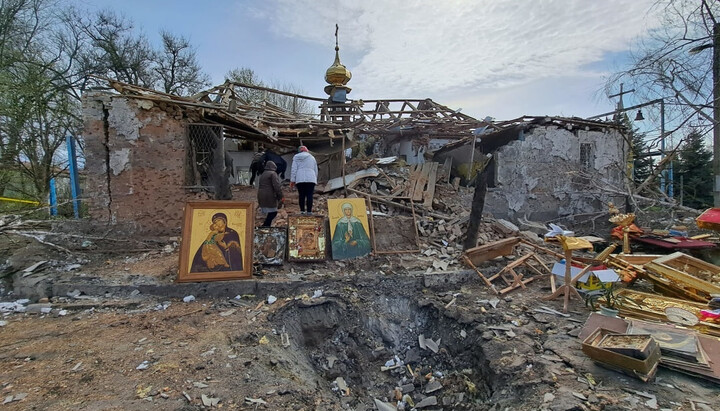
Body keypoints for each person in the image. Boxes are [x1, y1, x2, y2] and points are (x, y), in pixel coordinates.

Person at [290, 146, 318, 214]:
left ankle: (302, 211)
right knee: (309, 195)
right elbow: (315, 170)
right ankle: (309, 211)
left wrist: (292, 180)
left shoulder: (296, 157)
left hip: (300, 178)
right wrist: (315, 178)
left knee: (301, 195)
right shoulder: (312, 158)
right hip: (311, 178)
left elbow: (294, 169)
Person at [257, 160, 284, 227]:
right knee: (273, 212)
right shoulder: (273, 174)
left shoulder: (263, 174)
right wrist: (280, 196)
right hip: (269, 195)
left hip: (261, 195)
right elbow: (276, 186)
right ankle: (265, 225)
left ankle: (266, 225)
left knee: (269, 212)